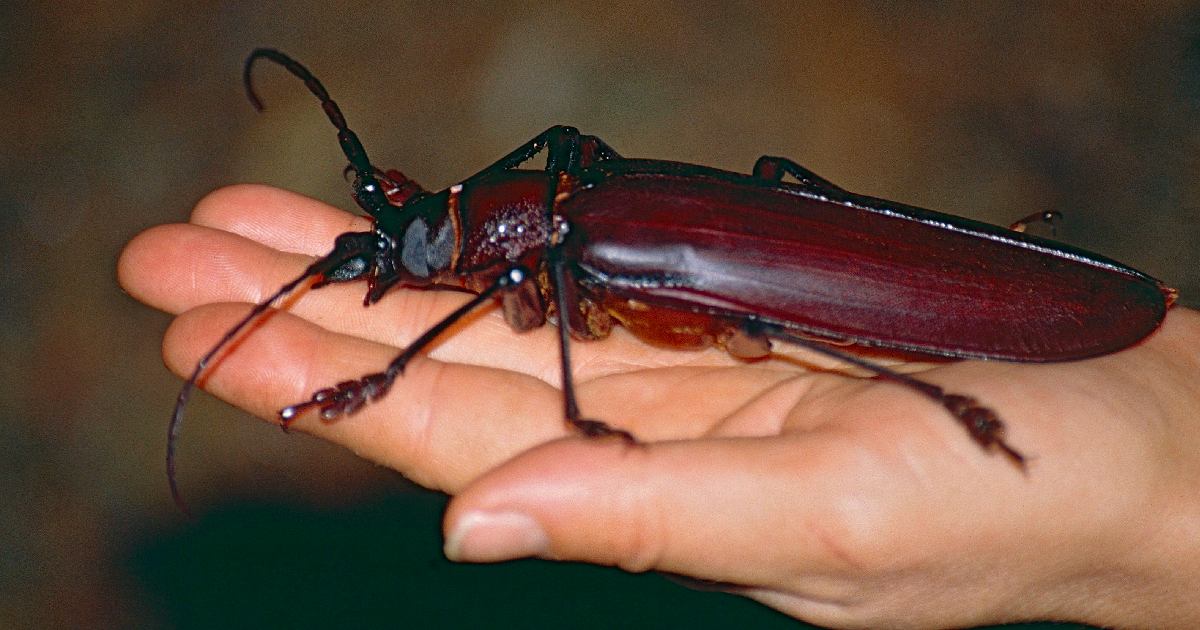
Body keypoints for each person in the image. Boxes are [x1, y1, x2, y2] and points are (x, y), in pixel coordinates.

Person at [118, 184, 1200, 629]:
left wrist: (387, 376)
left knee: (765, 320)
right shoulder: (569, 212)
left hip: (845, 282)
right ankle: (1002, 259)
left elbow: (509, 279)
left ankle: (984, 295)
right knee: (780, 219)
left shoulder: (570, 244)